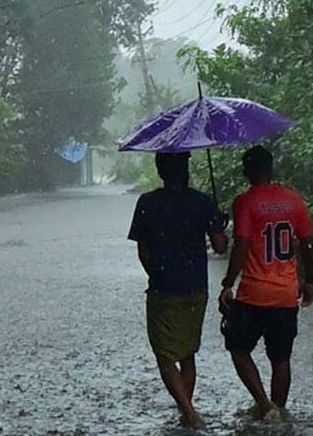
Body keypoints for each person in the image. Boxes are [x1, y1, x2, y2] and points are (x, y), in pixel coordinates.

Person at [128, 152, 228, 429]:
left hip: (164, 288)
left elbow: (143, 251)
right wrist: (220, 223)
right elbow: (221, 247)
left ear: (160, 171)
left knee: (164, 356)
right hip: (196, 287)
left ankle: (190, 413)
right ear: (186, 169)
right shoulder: (202, 202)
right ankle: (187, 412)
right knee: (187, 354)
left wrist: (156, 274)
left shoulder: (147, 203)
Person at [218, 145, 313, 421]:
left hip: (253, 294)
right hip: (286, 293)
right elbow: (307, 243)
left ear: (246, 172)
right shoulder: (294, 200)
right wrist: (309, 281)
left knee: (237, 348)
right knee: (281, 357)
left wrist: (227, 282)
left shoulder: (245, 202)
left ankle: (264, 405)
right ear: (271, 169)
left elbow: (242, 245)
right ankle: (279, 410)